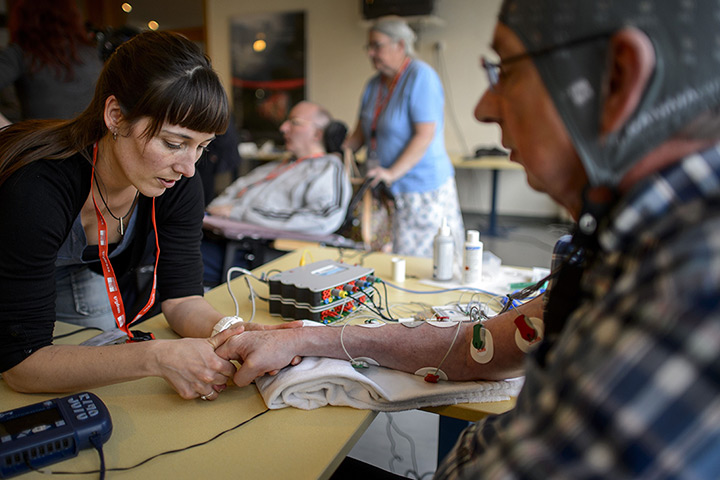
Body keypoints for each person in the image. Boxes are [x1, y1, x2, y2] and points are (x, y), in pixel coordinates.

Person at [216, 0, 720, 476]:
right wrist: (313, 337)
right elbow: (490, 345)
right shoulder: (612, 248)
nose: (483, 108)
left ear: (616, 79)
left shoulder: (690, 288)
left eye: (506, 69)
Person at [0, 30, 293, 402]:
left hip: (66, 272)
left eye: (202, 146)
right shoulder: (36, 189)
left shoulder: (178, 182)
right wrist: (155, 357)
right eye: (173, 143)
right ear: (116, 116)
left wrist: (233, 331)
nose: (189, 167)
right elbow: (22, 366)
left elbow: (182, 299)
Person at [344, 16, 464, 259]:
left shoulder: (421, 77)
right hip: (385, 191)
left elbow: (425, 135)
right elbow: (360, 134)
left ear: (400, 45)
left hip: (421, 190)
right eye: (369, 47)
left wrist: (391, 173)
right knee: (388, 260)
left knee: (423, 264)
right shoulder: (373, 85)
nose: (371, 53)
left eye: (377, 45)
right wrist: (335, 153)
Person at [206, 100, 352, 233]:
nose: (283, 128)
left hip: (252, 248)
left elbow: (322, 218)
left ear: (317, 134)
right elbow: (234, 191)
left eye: (294, 122)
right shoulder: (277, 165)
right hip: (213, 229)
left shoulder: (328, 169)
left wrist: (237, 213)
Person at [0, 0, 103, 127]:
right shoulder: (91, 52)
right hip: (89, 139)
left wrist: (8, 131)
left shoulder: (22, 53)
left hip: (46, 142)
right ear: (72, 17)